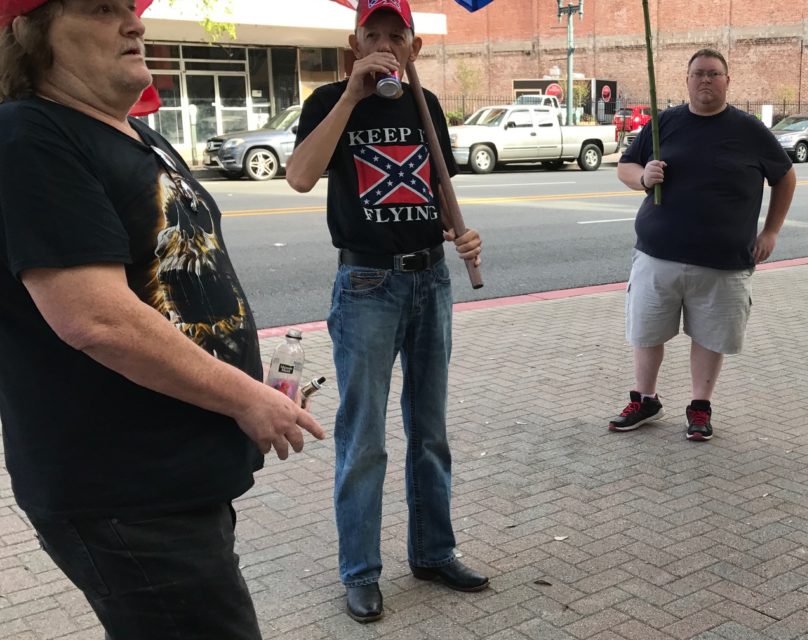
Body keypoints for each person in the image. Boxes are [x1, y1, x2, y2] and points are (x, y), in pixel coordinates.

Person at [0, 1, 324, 638]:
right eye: (102, 8)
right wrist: (245, 396)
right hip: (123, 491)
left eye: (132, 7)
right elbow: (95, 318)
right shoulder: (30, 135)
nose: (134, 24)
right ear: (28, 31)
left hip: (176, 479)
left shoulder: (136, 133)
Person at [285, 0, 486, 624]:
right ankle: (361, 573)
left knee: (430, 431)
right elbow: (298, 176)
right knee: (364, 437)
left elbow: (437, 190)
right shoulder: (327, 102)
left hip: (431, 279)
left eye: (394, 35)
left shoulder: (426, 107)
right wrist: (350, 96)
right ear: (354, 42)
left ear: (413, 46)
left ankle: (433, 551)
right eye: (371, 34)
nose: (382, 44)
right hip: (366, 282)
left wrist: (463, 236)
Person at [609, 48, 796, 442]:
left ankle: (699, 407)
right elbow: (625, 167)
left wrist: (771, 231)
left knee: (710, 337)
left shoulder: (749, 130)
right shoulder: (664, 124)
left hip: (723, 260)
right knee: (646, 331)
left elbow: (785, 177)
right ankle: (645, 398)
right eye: (698, 74)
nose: (706, 80)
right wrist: (644, 176)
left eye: (714, 74)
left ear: (728, 81)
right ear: (687, 80)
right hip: (657, 254)